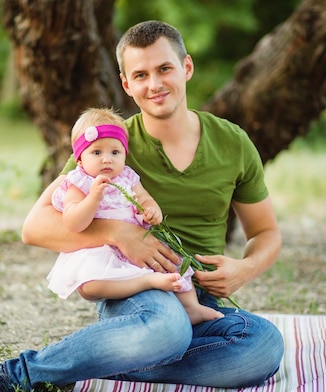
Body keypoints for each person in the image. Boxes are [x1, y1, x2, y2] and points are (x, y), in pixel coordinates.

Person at [0, 20, 284, 392]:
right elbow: (34, 227)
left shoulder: (232, 141)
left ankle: (109, 359)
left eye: (164, 69)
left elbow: (265, 232)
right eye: (140, 75)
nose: (154, 84)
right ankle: (16, 377)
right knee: (167, 329)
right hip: (136, 292)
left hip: (201, 296)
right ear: (126, 84)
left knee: (262, 346)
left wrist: (246, 268)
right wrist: (116, 232)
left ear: (187, 68)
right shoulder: (107, 146)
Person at [46, 106, 223, 325]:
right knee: (90, 285)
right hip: (101, 252)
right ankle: (147, 282)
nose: (107, 159)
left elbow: (144, 198)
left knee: (173, 260)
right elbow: (72, 222)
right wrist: (92, 199)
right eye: (97, 152)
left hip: (139, 247)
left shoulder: (127, 177)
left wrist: (151, 210)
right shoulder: (79, 183)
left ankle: (191, 307)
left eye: (115, 152)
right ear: (80, 159)